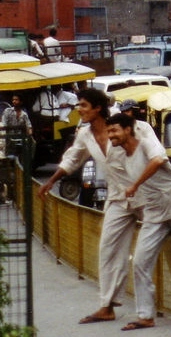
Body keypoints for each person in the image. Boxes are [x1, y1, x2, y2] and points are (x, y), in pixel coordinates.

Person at [37, 89, 144, 324]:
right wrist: (52, 181)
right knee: (107, 249)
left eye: (83, 105)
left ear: (97, 108)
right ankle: (107, 305)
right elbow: (73, 158)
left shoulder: (125, 125)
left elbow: (152, 154)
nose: (79, 109)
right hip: (118, 196)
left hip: (146, 193)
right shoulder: (85, 134)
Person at [104, 113, 171, 331]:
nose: (110, 135)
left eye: (114, 130)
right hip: (154, 212)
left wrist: (135, 185)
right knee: (141, 262)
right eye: (108, 131)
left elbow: (158, 159)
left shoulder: (145, 143)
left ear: (127, 130)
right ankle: (145, 315)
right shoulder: (121, 156)